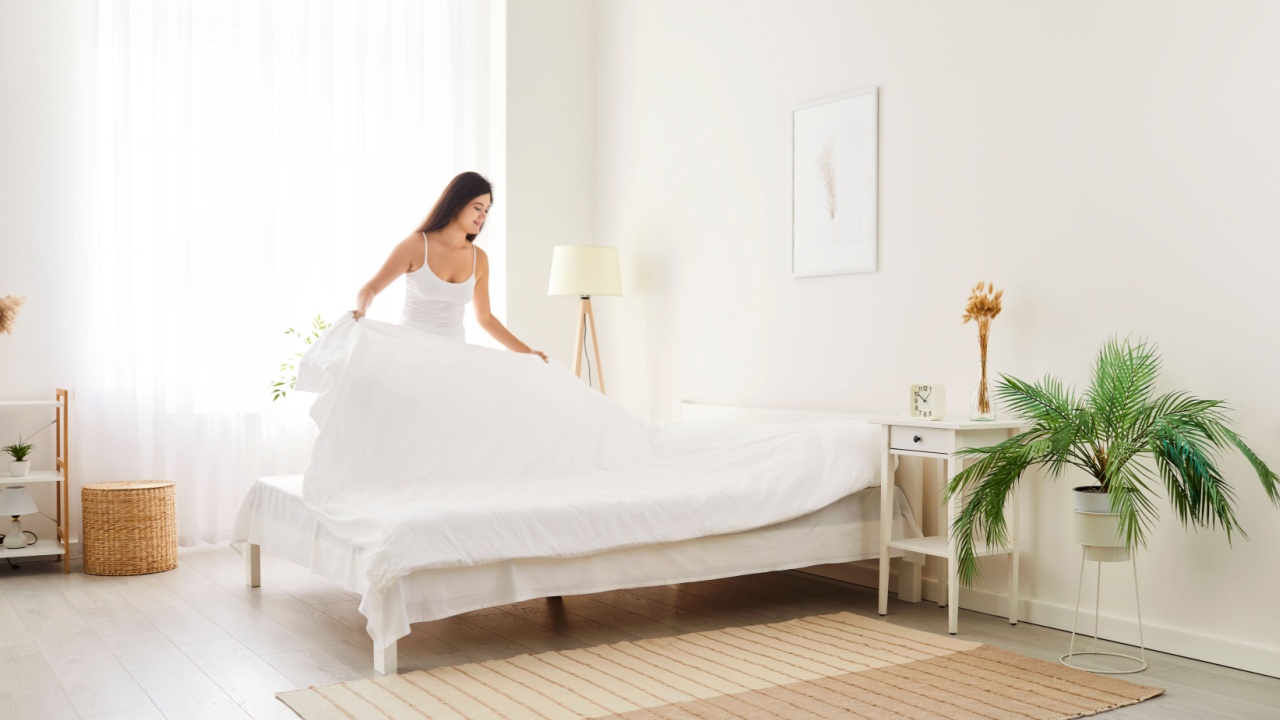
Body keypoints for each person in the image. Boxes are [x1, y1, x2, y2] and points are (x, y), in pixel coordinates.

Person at [352, 172, 547, 361]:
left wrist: (527, 352)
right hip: (410, 351)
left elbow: (485, 317)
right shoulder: (416, 246)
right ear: (457, 204)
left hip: (454, 356)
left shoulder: (479, 258)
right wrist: (361, 310)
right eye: (477, 207)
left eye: (486, 210)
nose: (483, 215)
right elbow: (371, 288)